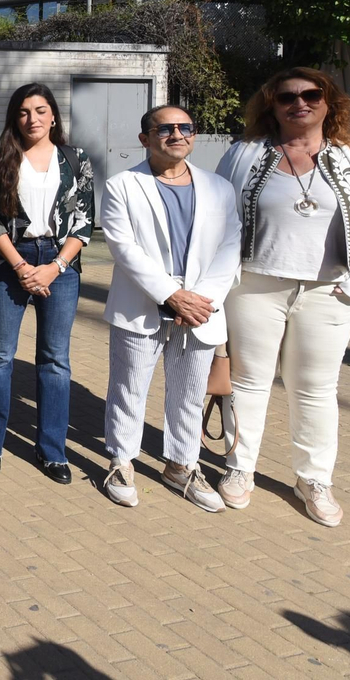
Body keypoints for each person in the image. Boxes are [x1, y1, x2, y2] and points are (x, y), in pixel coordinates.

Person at [214, 68, 350, 526]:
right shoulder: (244, 154)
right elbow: (216, 216)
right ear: (271, 105)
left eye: (311, 94)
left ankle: (314, 479)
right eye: (287, 97)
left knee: (316, 390)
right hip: (255, 284)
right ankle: (240, 469)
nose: (300, 103)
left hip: (328, 290)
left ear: (328, 101)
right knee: (248, 383)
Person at [99, 105, 239, 512]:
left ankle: (182, 464)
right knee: (128, 389)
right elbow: (123, 248)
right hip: (142, 304)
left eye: (185, 127)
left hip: (201, 308)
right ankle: (121, 461)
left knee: (190, 395)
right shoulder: (123, 185)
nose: (177, 134)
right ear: (146, 138)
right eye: (166, 128)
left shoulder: (219, 188)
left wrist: (198, 300)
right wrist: (169, 294)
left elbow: (231, 248)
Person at [0, 84, 94, 484]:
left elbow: (83, 222)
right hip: (11, 261)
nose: (33, 119)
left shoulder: (75, 160)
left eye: (41, 110)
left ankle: (52, 452)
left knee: (55, 361)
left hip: (59, 266)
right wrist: (22, 267)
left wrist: (54, 267)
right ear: (15, 117)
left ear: (54, 115)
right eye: (24, 112)